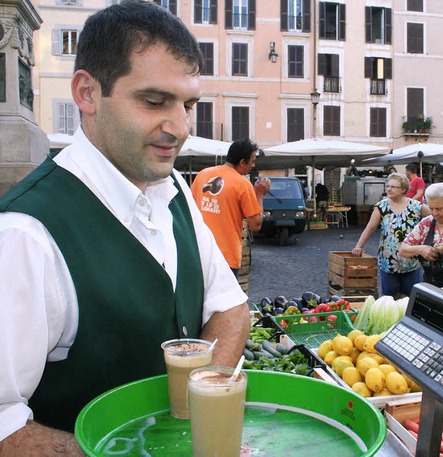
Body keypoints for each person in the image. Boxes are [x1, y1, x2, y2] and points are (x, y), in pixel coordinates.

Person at [0, 1, 250, 454]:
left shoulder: (174, 187)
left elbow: (231, 309)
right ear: (88, 94)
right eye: (154, 101)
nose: (179, 128)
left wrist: (195, 413)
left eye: (188, 105)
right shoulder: (24, 233)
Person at [191, 138, 270, 277]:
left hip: (198, 253)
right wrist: (260, 195)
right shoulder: (243, 184)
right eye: (252, 161)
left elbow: (189, 208)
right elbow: (255, 225)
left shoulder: (203, 174)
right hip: (225, 257)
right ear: (241, 162)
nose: (253, 165)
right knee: (224, 299)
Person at [351, 173, 430, 298]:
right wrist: (359, 246)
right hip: (388, 260)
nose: (388, 189)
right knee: (389, 298)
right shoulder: (381, 206)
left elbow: (434, 219)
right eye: (387, 186)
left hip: (412, 260)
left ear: (403, 189)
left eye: (393, 186)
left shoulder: (416, 206)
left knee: (411, 298)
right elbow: (370, 227)